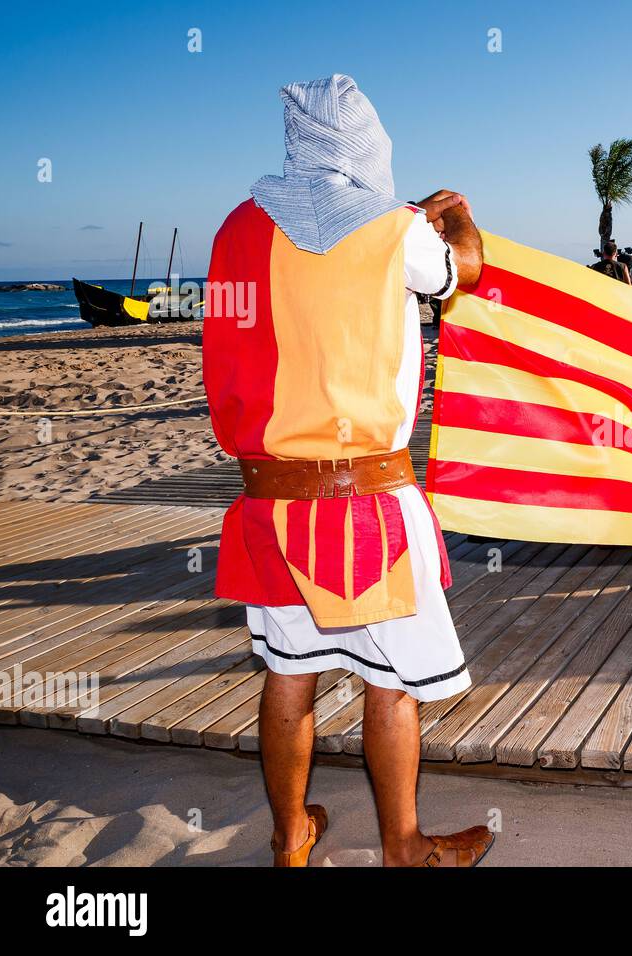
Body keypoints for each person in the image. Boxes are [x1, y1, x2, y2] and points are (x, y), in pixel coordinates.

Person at [202, 74, 493, 867]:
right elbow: (464, 270)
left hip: (272, 500)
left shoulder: (235, 230)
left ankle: (290, 837)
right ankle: (402, 846)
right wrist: (455, 212)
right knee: (390, 681)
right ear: (368, 149)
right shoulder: (395, 230)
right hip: (367, 502)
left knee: (289, 675)